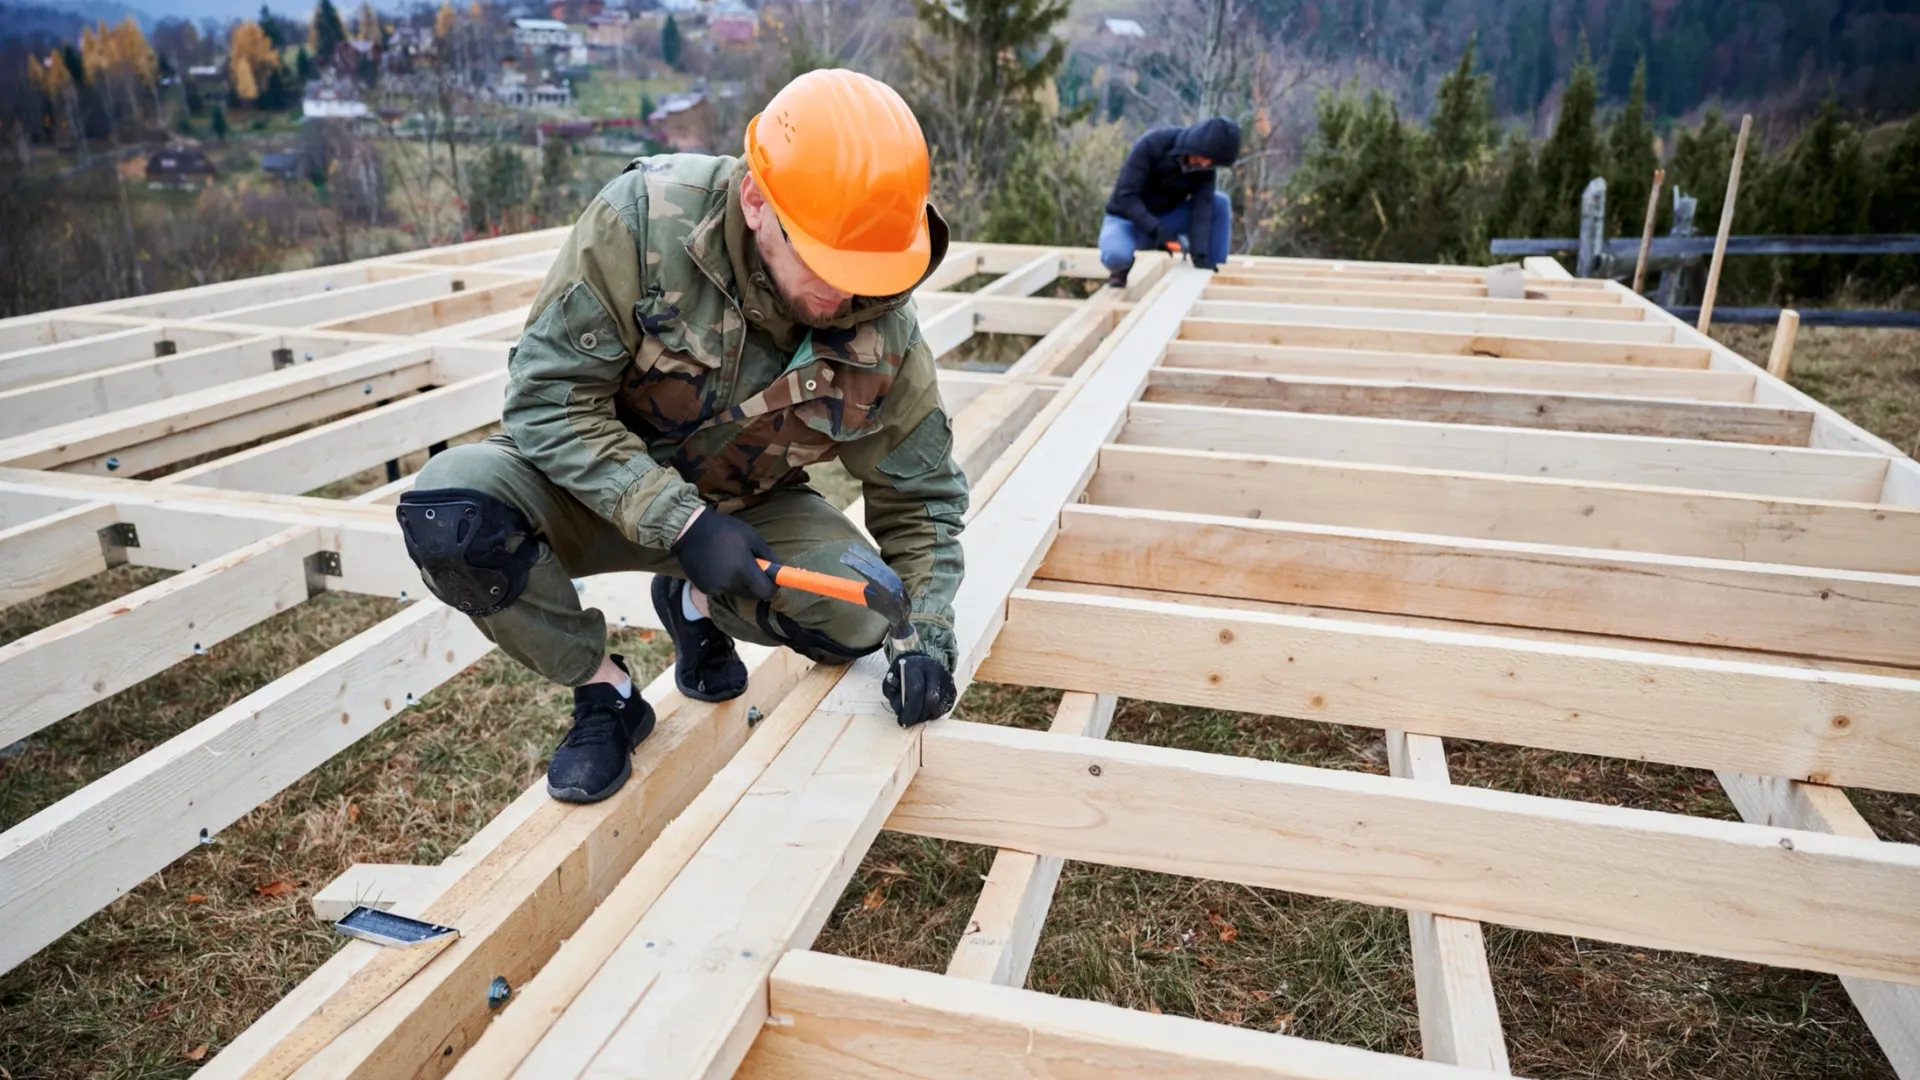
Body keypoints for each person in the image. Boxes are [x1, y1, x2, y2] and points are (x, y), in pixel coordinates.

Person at [393, 70, 966, 805]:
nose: (845, 297)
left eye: (866, 275)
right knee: (453, 513)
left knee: (857, 616)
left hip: (745, 512)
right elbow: (546, 402)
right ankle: (606, 695)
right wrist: (681, 521)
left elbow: (920, 501)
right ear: (758, 202)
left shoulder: (884, 330)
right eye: (827, 267)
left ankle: (693, 605)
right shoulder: (645, 223)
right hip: (584, 489)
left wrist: (924, 641)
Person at [1099, 117, 1242, 284]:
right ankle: (1120, 270)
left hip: (1167, 218)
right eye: (1205, 157)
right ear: (1197, 145)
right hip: (1127, 220)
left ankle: (1214, 267)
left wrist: (1200, 255)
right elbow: (1126, 197)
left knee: (1220, 203)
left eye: (1212, 162)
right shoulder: (1152, 145)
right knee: (1116, 257)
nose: (1205, 163)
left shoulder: (1206, 169)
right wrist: (1155, 230)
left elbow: (1201, 210)